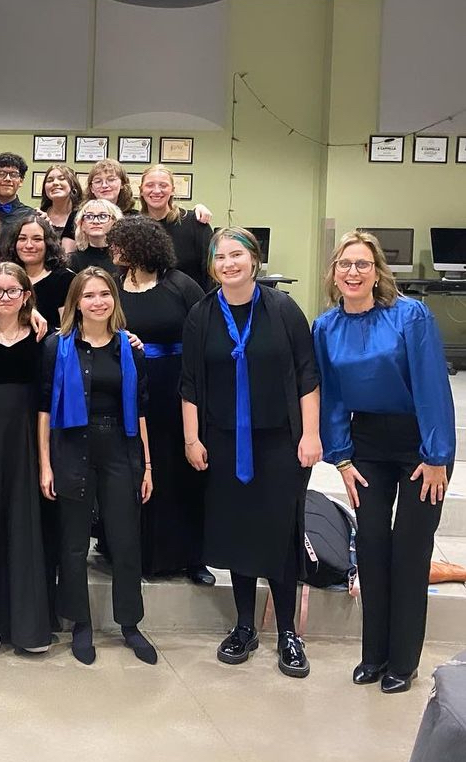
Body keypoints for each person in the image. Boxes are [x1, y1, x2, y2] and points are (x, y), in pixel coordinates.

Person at [312, 231, 455, 694]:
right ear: (334, 273)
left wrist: (437, 457)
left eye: (362, 265)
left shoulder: (409, 315)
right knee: (371, 546)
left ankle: (403, 661)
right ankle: (373, 655)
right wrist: (341, 456)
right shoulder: (326, 327)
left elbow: (433, 385)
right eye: (345, 265)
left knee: (410, 551)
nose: (353, 272)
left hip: (418, 442)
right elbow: (331, 396)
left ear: (377, 273)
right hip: (367, 443)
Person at [181, 226, 321, 679]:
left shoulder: (282, 310)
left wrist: (310, 435)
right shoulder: (202, 315)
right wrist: (191, 438)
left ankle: (287, 633)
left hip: (279, 440)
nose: (228, 264)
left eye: (236, 255)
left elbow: (307, 375)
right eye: (220, 257)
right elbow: (189, 383)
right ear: (212, 266)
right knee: (238, 533)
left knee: (277, 534)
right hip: (222, 441)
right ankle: (244, 626)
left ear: (254, 261)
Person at [38, 267, 156, 666]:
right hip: (71, 445)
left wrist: (148, 465)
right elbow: (43, 411)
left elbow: (141, 411)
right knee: (72, 545)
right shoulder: (58, 347)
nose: (98, 302)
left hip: (119, 448)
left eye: (105, 294)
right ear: (76, 303)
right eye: (89, 296)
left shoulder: (130, 348)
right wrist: (45, 466)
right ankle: (81, 625)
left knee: (125, 540)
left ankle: (130, 623)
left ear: (114, 300)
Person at [107, 216, 210, 583]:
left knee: (177, 466)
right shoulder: (113, 286)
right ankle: (132, 552)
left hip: (173, 382)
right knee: (133, 466)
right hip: (127, 382)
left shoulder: (180, 285)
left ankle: (192, 557)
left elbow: (203, 334)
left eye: (119, 243)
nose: (112, 250)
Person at [0, 262, 50, 654]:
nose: (4, 297)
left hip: (23, 438)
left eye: (12, 291)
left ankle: (26, 625)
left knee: (21, 521)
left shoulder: (40, 338)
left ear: (26, 295)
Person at [138, 164, 213, 290]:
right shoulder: (134, 228)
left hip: (190, 304)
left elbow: (211, 268)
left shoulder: (194, 222)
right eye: (150, 185)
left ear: (172, 190)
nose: (156, 191)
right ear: (141, 190)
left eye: (163, 185)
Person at [6, 213, 73, 331]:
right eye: (22, 239)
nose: (29, 245)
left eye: (37, 239)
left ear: (48, 244)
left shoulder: (64, 279)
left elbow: (67, 330)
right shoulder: (5, 278)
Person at [0, 152, 34, 252]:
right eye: (1, 174)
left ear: (21, 181)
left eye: (13, 175)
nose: (7, 179)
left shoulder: (31, 215)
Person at [69, 198, 123, 275]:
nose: (95, 221)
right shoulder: (72, 261)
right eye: (89, 217)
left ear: (114, 222)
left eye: (103, 216)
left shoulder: (123, 260)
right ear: (82, 224)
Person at [38, 164, 84, 255]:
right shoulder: (39, 216)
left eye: (62, 178)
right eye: (49, 180)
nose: (55, 183)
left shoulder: (83, 216)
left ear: (73, 185)